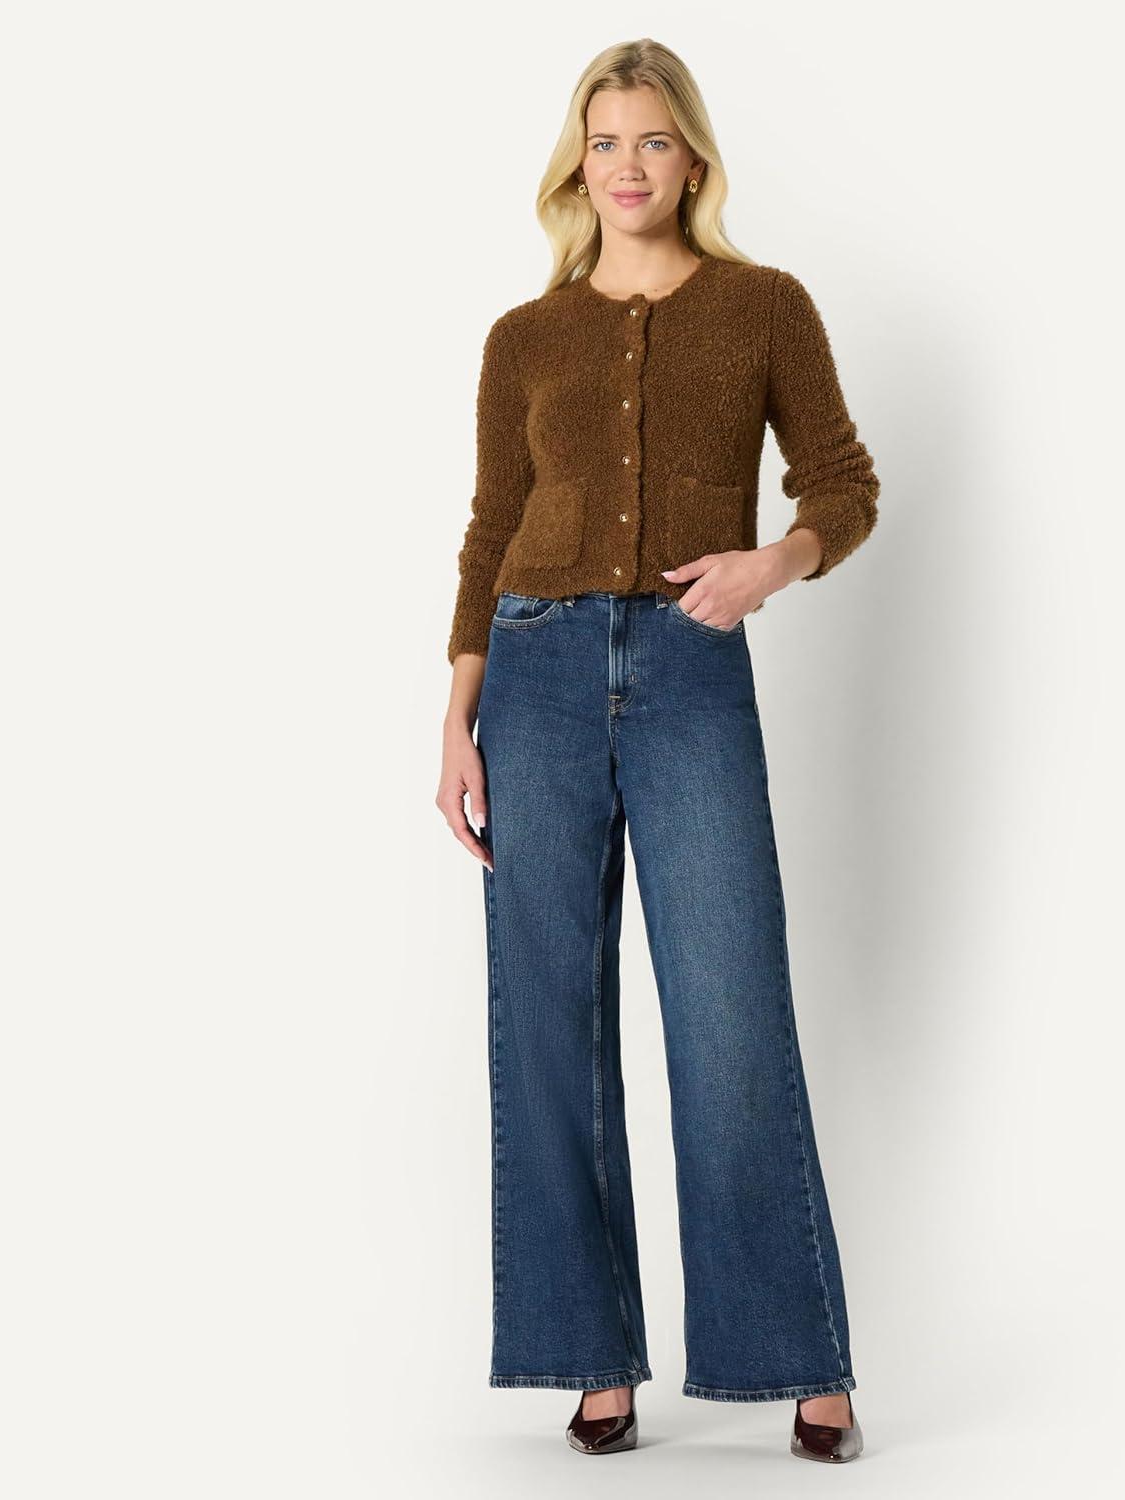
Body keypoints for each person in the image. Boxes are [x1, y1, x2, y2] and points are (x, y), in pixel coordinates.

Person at [436, 39, 876, 1464]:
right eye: (605, 140)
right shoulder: (525, 336)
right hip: (535, 679)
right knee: (546, 1019)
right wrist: (458, 712)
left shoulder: (764, 308)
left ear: (692, 159)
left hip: (691, 670)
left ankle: (797, 1354)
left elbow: (843, 483)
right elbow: (491, 526)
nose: (628, 165)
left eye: (653, 140)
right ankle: (591, 1355)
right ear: (580, 163)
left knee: (729, 1009)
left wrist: (770, 566)